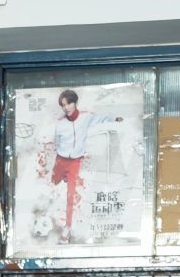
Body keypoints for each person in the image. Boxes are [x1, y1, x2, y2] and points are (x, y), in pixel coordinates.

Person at [44, 88, 123, 239]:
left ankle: (67, 226)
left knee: (70, 195)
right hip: (60, 160)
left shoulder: (86, 117)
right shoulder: (60, 124)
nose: (66, 108)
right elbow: (56, 142)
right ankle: (46, 213)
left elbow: (101, 118)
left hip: (75, 162)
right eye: (63, 105)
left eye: (68, 104)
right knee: (52, 185)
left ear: (75, 103)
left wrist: (115, 118)